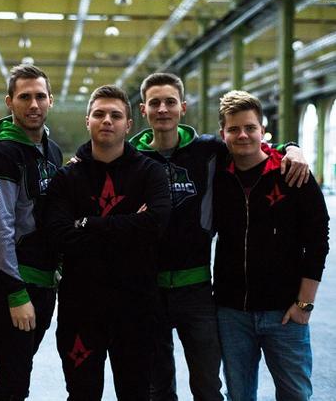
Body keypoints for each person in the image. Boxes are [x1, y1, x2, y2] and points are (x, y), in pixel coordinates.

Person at [127, 72, 309, 401]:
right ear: (143, 110)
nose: (163, 109)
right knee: (157, 386)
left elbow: (251, 143)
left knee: (208, 386)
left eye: (170, 102)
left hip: (196, 291)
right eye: (155, 103)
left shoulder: (208, 150)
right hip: (147, 290)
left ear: (182, 107)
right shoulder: (130, 158)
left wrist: (292, 148)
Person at [46, 85, 171, 400]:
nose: (107, 121)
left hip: (137, 309)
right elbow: (60, 235)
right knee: (82, 394)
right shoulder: (66, 178)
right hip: (80, 310)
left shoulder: (151, 173)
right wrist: (130, 227)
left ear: (128, 125)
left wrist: (87, 224)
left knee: (136, 393)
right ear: (87, 120)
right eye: (99, 114)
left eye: (115, 115)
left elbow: (154, 226)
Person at [213, 90, 329, 400]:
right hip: (232, 313)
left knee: (295, 394)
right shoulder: (217, 176)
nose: (242, 135)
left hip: (285, 311)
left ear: (263, 131)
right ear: (222, 134)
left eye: (250, 127)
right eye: (234, 129)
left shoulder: (293, 174)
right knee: (239, 395)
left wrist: (304, 304)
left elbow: (318, 240)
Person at [0, 64, 62, 401]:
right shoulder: (1, 153)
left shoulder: (52, 151)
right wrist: (14, 292)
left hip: (44, 281)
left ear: (51, 100)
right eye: (25, 97)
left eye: (40, 96)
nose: (34, 104)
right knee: (13, 383)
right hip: (15, 284)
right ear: (10, 102)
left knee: (18, 375)